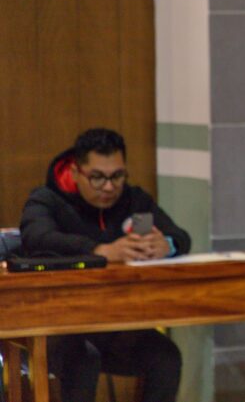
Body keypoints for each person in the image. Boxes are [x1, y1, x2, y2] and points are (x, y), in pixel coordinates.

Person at [19, 128, 191, 402]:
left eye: (117, 176)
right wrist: (99, 252)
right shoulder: (47, 199)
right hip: (55, 324)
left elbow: (180, 237)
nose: (109, 187)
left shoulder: (133, 201)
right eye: (97, 178)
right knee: (83, 359)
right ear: (75, 172)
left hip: (113, 321)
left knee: (165, 357)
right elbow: (37, 238)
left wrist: (165, 245)